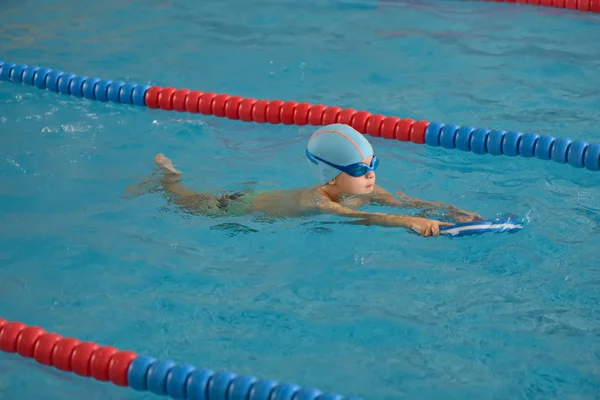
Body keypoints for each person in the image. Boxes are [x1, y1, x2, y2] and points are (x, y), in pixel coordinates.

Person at [129, 123, 482, 237]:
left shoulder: (370, 189)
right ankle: (167, 177)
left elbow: (407, 202)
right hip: (239, 207)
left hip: (266, 197)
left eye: (372, 164)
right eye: (359, 170)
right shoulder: (320, 201)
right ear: (331, 176)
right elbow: (366, 218)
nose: (371, 173)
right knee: (185, 203)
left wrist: (449, 210)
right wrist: (411, 224)